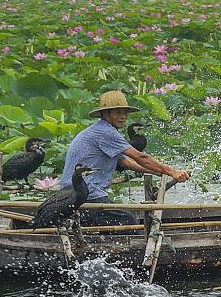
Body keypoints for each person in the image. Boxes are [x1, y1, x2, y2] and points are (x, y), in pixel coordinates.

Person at [60, 91, 190, 225]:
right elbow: (140, 157)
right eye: (117, 112)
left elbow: (124, 161)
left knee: (112, 221)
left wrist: (157, 172)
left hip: (72, 195)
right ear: (105, 114)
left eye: (124, 113)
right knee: (128, 221)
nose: (123, 117)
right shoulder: (105, 132)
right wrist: (172, 172)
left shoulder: (101, 130)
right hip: (87, 195)